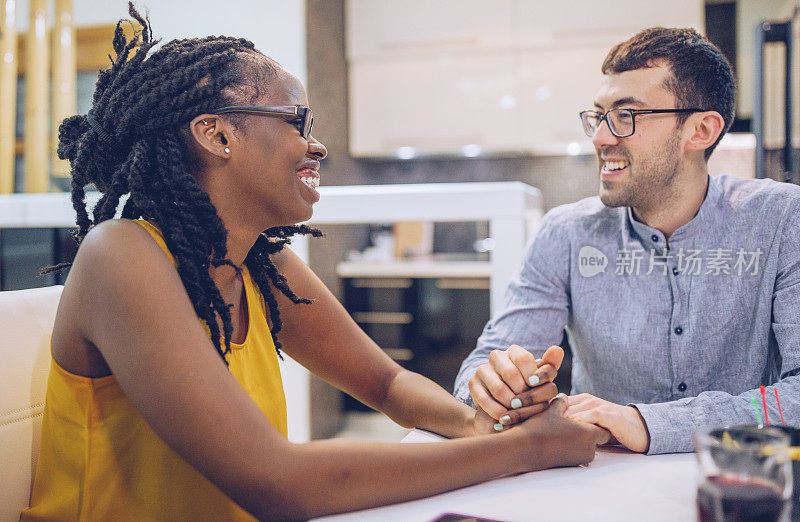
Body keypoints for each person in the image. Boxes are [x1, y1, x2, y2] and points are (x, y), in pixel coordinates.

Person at [20, 4, 608, 521]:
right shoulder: (121, 256)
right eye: (297, 121)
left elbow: (388, 382)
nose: (317, 144)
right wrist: (525, 449)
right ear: (217, 135)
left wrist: (481, 424)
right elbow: (279, 484)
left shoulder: (256, 265)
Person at [455, 27, 800, 455]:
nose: (600, 137)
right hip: (599, 484)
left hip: (740, 483)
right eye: (598, 116)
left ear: (701, 131)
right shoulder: (565, 233)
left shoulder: (783, 220)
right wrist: (491, 383)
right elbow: (483, 363)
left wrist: (650, 423)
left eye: (626, 115)